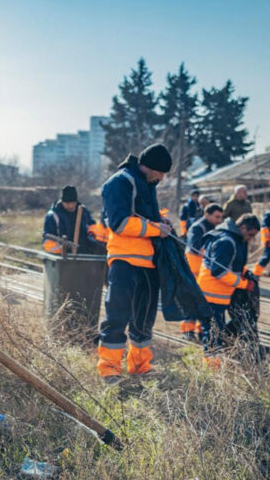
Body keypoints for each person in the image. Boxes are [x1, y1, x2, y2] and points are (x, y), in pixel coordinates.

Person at [96, 143, 173, 383]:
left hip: (148, 264)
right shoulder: (121, 181)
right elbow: (118, 223)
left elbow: (144, 217)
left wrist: (161, 222)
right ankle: (109, 371)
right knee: (117, 317)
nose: (161, 178)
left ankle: (140, 368)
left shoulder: (147, 183)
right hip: (124, 262)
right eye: (160, 172)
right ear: (150, 167)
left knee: (144, 322)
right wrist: (155, 228)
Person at [196, 214, 260, 368]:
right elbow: (219, 272)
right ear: (243, 227)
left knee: (214, 332)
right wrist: (243, 284)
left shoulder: (234, 239)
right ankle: (212, 370)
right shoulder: (226, 242)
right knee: (213, 334)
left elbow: (233, 266)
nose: (251, 239)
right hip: (211, 296)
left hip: (219, 296)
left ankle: (214, 366)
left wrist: (244, 272)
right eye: (251, 235)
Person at [179, 203, 224, 339]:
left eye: (221, 217)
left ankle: (201, 330)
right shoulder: (197, 227)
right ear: (207, 214)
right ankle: (188, 330)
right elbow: (194, 248)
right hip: (194, 269)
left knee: (204, 302)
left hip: (204, 271)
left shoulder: (215, 227)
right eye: (216, 217)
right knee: (191, 300)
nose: (219, 220)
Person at [42, 185, 100, 254]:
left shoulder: (83, 211)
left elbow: (92, 225)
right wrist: (60, 251)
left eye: (73, 203)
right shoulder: (53, 215)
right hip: (62, 255)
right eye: (67, 203)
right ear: (62, 201)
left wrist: (92, 233)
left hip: (83, 251)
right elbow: (48, 237)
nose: (71, 206)